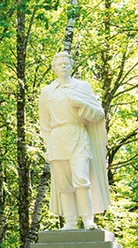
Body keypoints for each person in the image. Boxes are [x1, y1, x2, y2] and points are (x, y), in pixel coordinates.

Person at [37, 51, 111, 230]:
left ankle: (87, 219)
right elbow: (45, 125)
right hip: (58, 139)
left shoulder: (82, 87)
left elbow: (99, 114)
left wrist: (81, 104)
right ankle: (70, 221)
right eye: (59, 63)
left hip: (78, 135)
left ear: (71, 65)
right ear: (53, 67)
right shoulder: (47, 92)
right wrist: (48, 147)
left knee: (81, 178)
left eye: (66, 63)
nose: (63, 66)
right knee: (64, 183)